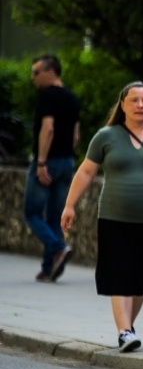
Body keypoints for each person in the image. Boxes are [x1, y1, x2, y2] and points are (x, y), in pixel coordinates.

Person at [61, 82, 143, 352]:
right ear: (122, 105)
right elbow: (86, 172)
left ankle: (127, 329)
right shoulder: (106, 136)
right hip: (113, 217)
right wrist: (69, 205)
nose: (140, 105)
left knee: (141, 278)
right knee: (120, 274)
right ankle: (124, 330)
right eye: (134, 100)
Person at [24, 54, 80, 283]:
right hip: (67, 161)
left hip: (48, 162)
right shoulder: (72, 97)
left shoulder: (47, 96)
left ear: (50, 72)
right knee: (55, 215)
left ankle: (57, 248)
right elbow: (76, 135)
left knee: (32, 213)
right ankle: (49, 268)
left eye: (36, 72)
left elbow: (47, 129)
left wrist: (41, 162)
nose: (32, 77)